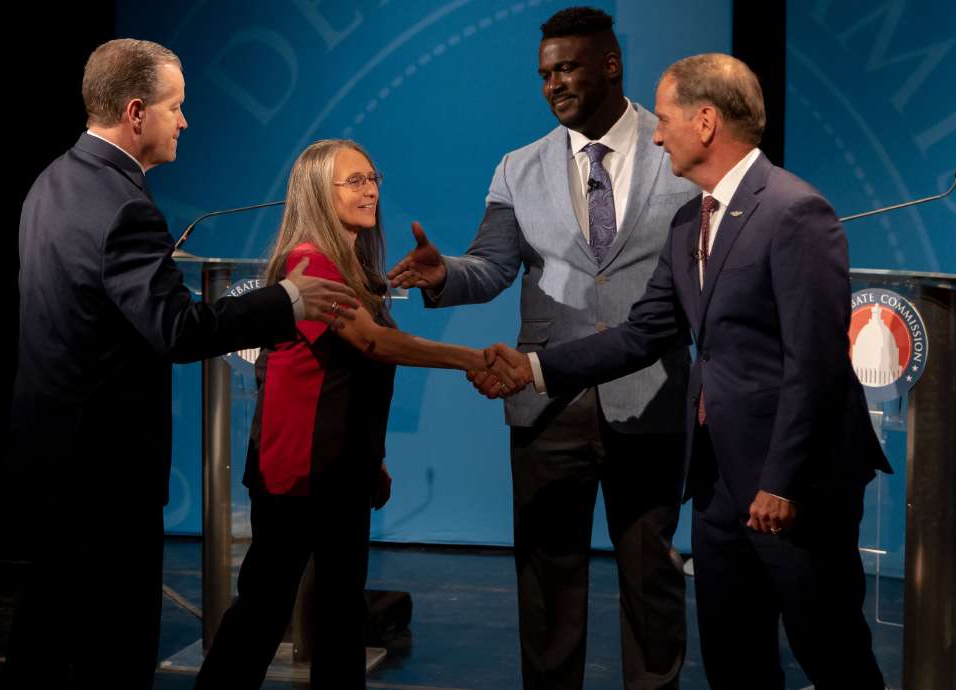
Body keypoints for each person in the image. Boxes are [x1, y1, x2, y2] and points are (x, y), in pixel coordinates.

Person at [482, 53, 892, 689]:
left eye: (665, 119)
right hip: (719, 479)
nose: (655, 133)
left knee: (830, 650)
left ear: (705, 122)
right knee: (735, 658)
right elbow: (645, 332)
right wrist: (535, 368)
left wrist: (780, 482)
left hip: (796, 483)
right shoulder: (687, 222)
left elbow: (814, 368)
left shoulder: (793, 210)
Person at [6, 39, 357, 688]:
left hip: (47, 461)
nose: (186, 121)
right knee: (113, 650)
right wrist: (290, 300)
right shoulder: (126, 208)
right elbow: (177, 330)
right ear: (136, 112)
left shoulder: (50, 182)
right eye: (177, 107)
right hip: (106, 477)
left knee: (49, 637)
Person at [387, 8, 697, 688]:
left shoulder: (677, 151)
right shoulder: (518, 168)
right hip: (546, 405)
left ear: (610, 64)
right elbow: (492, 265)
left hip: (652, 398)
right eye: (544, 74)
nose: (553, 84)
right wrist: (446, 275)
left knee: (653, 581)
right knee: (546, 586)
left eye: (567, 68)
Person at [194, 139, 494, 690]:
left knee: (337, 616)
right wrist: (473, 358)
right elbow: (374, 345)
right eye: (354, 181)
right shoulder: (309, 261)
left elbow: (353, 376)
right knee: (266, 610)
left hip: (339, 467)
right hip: (298, 471)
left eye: (372, 177)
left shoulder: (350, 264)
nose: (371, 189)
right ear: (316, 191)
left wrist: (369, 459)